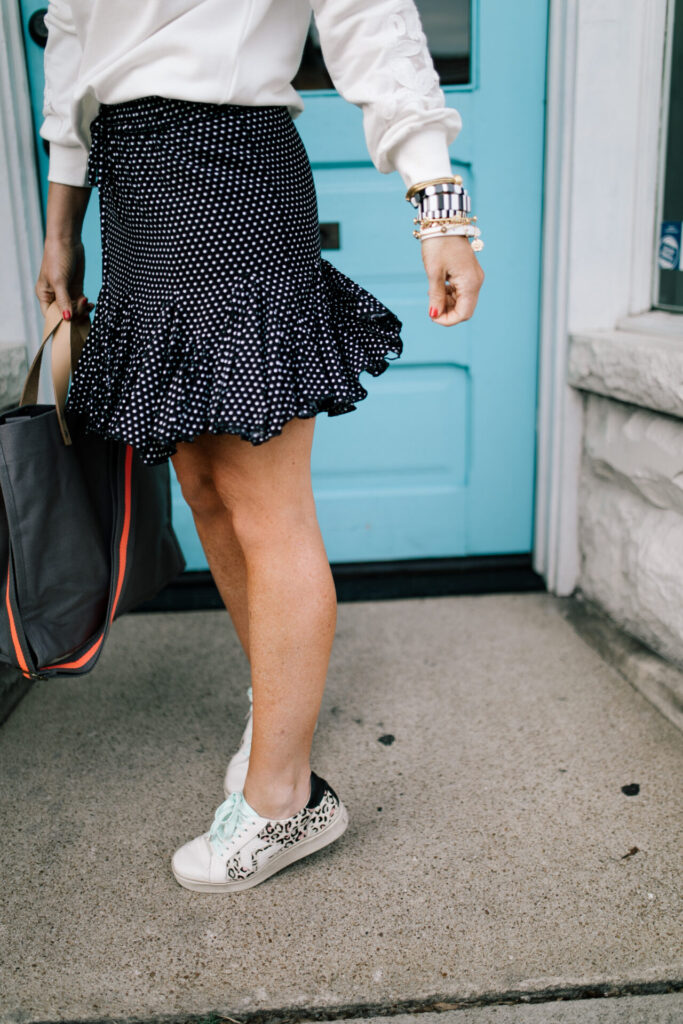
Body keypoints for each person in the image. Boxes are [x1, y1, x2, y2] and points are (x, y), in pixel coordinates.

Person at [35, 0, 485, 894]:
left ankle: (287, 800)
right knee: (204, 485)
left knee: (263, 503)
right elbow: (77, 49)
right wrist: (60, 225)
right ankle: (274, 719)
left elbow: (371, 18)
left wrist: (440, 206)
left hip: (230, 169)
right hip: (134, 191)